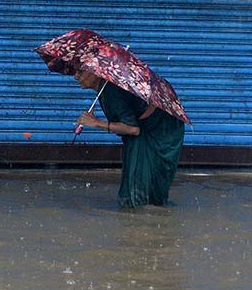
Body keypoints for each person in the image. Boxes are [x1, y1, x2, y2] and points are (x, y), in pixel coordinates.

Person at [75, 68, 185, 208]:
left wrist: (96, 123)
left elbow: (133, 129)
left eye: (80, 72)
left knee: (137, 192)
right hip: (151, 128)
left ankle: (141, 222)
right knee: (141, 188)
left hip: (161, 130)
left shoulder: (111, 91)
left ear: (96, 73)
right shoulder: (105, 90)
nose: (76, 76)